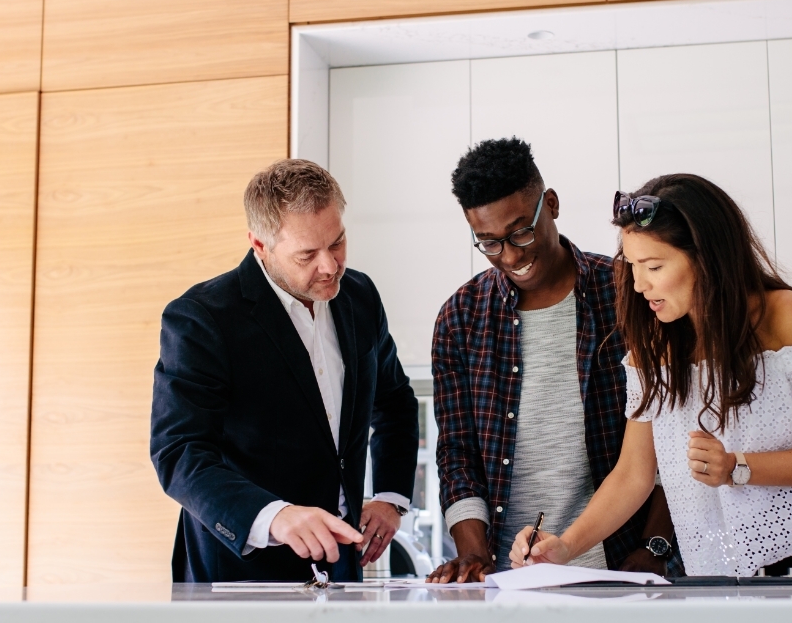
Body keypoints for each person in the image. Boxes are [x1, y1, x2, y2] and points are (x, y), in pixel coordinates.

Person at [509, 173, 792, 577]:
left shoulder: (785, 317)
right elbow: (634, 473)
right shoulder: (655, 347)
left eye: (654, 266)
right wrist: (565, 546)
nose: (639, 284)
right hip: (745, 568)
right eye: (632, 266)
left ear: (705, 258)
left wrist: (738, 466)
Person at [150, 159, 420, 582]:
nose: (330, 266)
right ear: (260, 245)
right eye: (307, 255)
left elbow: (394, 401)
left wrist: (390, 497)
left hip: (342, 566)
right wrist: (274, 516)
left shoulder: (361, 296)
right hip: (236, 569)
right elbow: (179, 451)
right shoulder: (202, 318)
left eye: (338, 242)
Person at [428, 138, 679, 583]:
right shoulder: (459, 318)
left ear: (552, 204)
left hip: (625, 565)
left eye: (521, 231)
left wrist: (653, 548)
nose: (511, 256)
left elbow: (670, 435)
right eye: (489, 243)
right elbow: (457, 452)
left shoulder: (630, 293)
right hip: (512, 576)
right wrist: (472, 553)